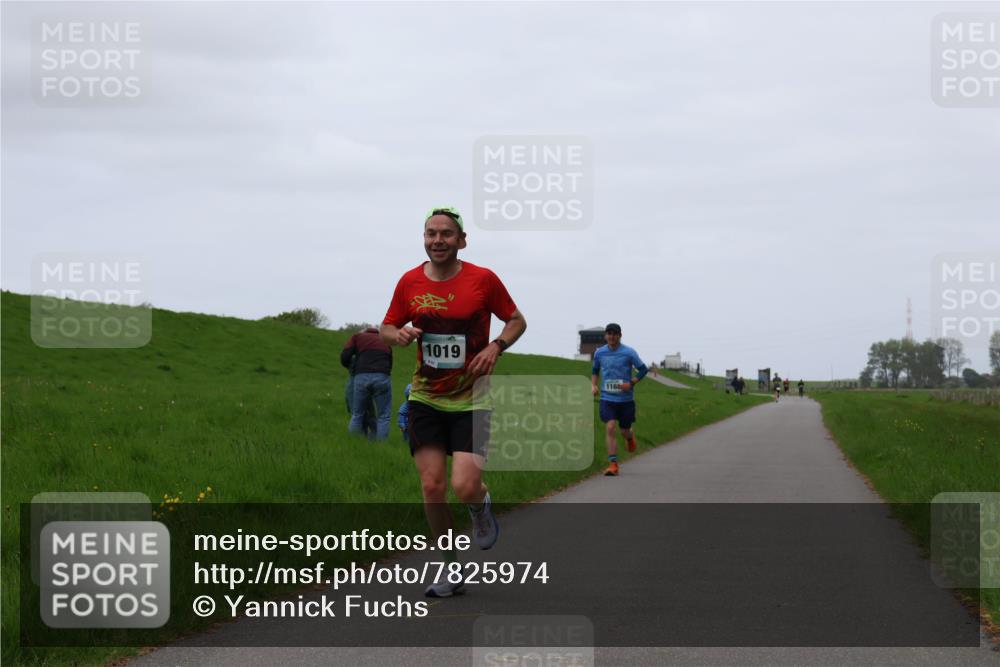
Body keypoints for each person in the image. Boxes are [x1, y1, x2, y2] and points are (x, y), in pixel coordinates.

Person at [380, 206, 526, 598]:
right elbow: (387, 325)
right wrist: (398, 335)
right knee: (432, 486)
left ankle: (480, 507)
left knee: (464, 486)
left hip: (472, 399)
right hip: (426, 397)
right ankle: (449, 568)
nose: (438, 240)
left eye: (446, 234)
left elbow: (516, 320)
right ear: (424, 239)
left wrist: (497, 346)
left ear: (461, 240)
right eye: (431, 233)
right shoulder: (409, 282)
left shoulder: (483, 279)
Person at [591, 323, 648, 476]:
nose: (612, 336)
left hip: (625, 400)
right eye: (609, 333)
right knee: (610, 427)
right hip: (607, 398)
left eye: (615, 334)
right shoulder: (599, 353)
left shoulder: (629, 352)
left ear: (620, 336)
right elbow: (595, 370)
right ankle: (613, 464)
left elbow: (643, 369)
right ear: (605, 336)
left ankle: (630, 437)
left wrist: (631, 383)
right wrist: (594, 386)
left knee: (624, 431)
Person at [341, 327, 393, 440]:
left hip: (361, 377)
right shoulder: (385, 341)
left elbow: (345, 357)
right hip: (382, 376)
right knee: (383, 415)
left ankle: (352, 443)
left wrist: (351, 367)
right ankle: (381, 447)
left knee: (357, 414)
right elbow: (390, 362)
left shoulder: (357, 337)